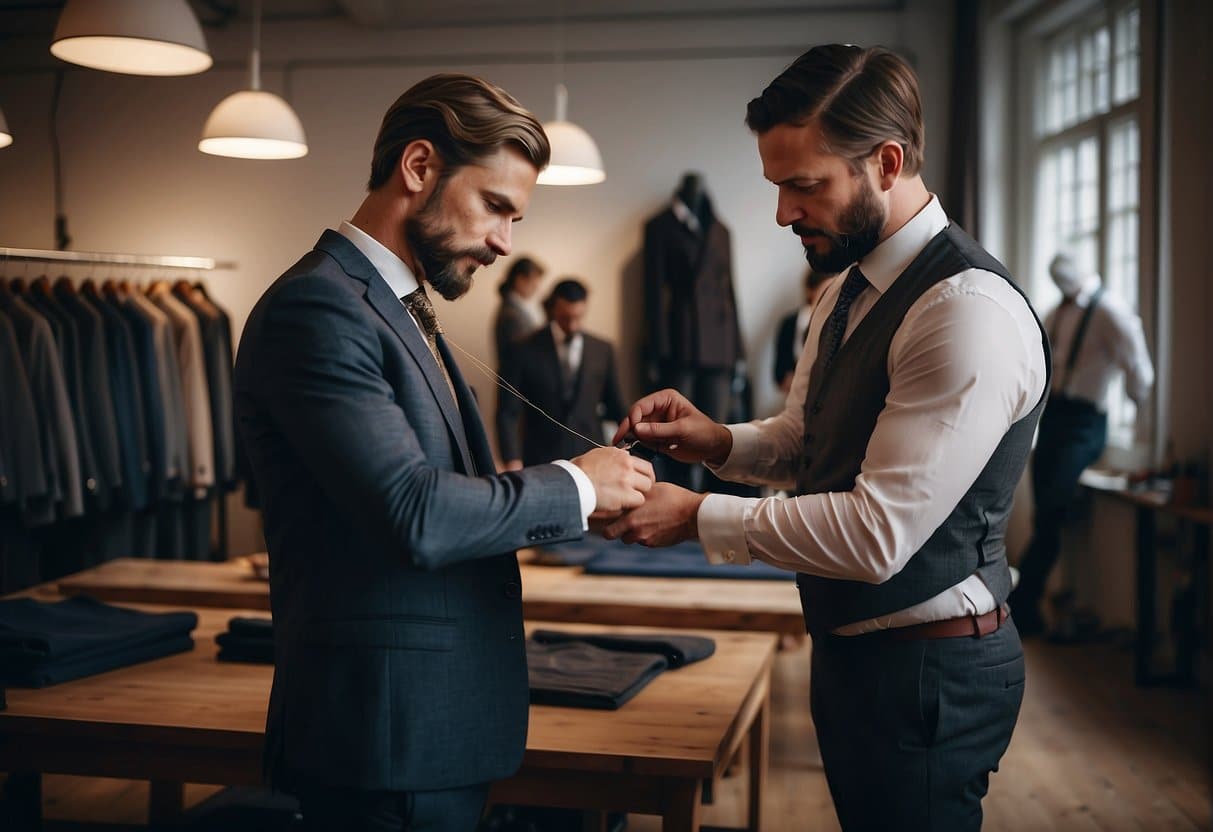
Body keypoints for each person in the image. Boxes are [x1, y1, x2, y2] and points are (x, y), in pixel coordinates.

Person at [603, 44, 1050, 831]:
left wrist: (692, 516)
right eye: (777, 186)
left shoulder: (964, 312)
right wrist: (716, 444)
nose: (781, 213)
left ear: (885, 161)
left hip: (928, 668)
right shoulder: (846, 286)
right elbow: (808, 437)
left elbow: (878, 533)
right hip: (854, 652)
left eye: (803, 185)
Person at [233, 73, 654, 832]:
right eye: (496, 207)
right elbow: (415, 512)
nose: (504, 242)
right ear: (419, 167)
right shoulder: (318, 307)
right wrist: (576, 487)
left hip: (427, 728)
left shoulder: (392, 304)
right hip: (382, 735)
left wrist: (582, 506)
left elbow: (443, 492)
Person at [1009, 252, 1154, 636]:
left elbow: (1138, 368)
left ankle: (1022, 605)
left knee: (1053, 512)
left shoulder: (1111, 311)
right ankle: (1034, 604)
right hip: (1053, 417)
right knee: (1045, 515)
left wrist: (1142, 424)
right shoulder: (1057, 312)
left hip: (1085, 424)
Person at [496, 278, 626, 471]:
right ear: (554, 309)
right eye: (566, 318)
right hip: (540, 458)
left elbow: (615, 405)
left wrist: (628, 447)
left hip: (592, 456)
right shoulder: (522, 349)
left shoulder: (603, 350)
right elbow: (508, 412)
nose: (573, 326)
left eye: (578, 318)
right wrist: (512, 459)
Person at [773, 267, 835, 394]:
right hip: (795, 390)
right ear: (809, 291)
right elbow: (779, 372)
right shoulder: (790, 323)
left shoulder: (839, 319)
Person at [493, 255, 545, 370]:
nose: (537, 288)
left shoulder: (516, 307)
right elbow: (525, 355)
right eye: (534, 283)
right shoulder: (512, 313)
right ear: (520, 279)